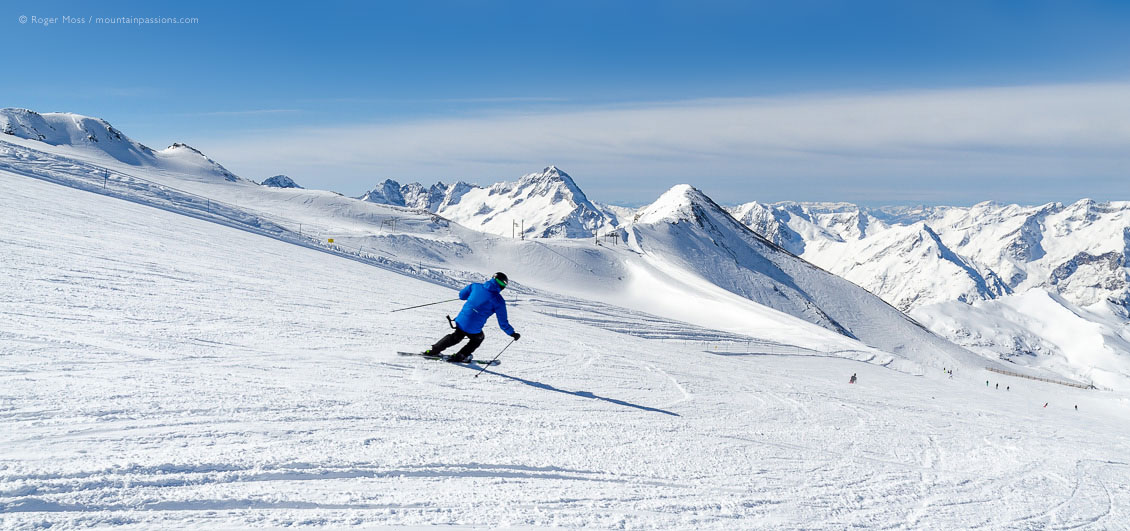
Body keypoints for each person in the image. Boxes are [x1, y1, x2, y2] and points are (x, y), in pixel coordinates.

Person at [424, 272, 520, 362]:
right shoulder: (499, 301)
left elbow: (461, 295)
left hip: (460, 321)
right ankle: (461, 355)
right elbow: (503, 323)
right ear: (502, 286)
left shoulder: (475, 286)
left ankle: (434, 351)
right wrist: (512, 333)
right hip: (473, 328)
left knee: (456, 337)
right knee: (478, 339)